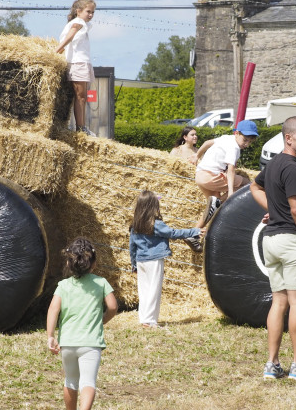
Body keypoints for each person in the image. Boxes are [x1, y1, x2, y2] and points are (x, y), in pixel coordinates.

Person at [250, 116, 296, 381]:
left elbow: (254, 186)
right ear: (288, 138)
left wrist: (272, 210)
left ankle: (271, 365)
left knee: (279, 302)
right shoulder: (293, 168)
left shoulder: (272, 165)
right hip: (292, 241)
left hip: (270, 241)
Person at [47, 238, 117, 410]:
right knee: (88, 381)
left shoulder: (63, 286)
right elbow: (113, 307)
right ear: (93, 263)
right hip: (90, 343)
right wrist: (102, 320)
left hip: (68, 344)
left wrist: (50, 337)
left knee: (70, 381)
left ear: (70, 264)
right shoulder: (101, 283)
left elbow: (53, 310)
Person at [129, 190, 206, 328]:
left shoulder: (135, 225)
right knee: (154, 289)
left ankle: (144, 319)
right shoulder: (156, 224)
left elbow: (132, 247)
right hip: (154, 260)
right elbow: (173, 233)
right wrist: (194, 231)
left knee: (144, 290)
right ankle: (150, 321)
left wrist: (134, 264)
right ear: (152, 207)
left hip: (140, 261)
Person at [56, 0, 97, 137]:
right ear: (79, 11)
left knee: (82, 97)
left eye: (92, 12)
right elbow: (70, 36)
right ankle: (80, 128)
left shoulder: (79, 22)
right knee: (80, 97)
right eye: (88, 11)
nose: (91, 15)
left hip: (80, 62)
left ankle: (81, 127)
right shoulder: (78, 22)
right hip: (78, 63)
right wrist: (56, 51)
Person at [194, 119, 258, 202]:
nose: (247, 144)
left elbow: (207, 143)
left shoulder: (226, 137)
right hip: (211, 177)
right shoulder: (234, 147)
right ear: (237, 133)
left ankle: (215, 205)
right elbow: (231, 170)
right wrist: (230, 191)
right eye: (245, 140)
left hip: (199, 176)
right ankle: (219, 202)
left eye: (250, 141)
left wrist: (197, 156)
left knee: (213, 209)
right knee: (248, 184)